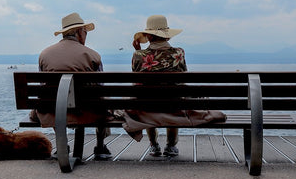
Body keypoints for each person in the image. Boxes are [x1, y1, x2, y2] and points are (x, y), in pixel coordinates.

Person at [29, 12, 111, 160]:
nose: (86, 35)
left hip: (52, 111)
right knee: (102, 101)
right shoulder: (93, 55)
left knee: (51, 101)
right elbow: (101, 87)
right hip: (87, 111)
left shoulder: (44, 54)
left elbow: (43, 87)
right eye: (85, 32)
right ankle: (100, 146)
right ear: (79, 32)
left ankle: (62, 144)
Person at [131, 14, 187, 157]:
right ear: (167, 36)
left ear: (149, 36)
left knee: (146, 98)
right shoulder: (178, 53)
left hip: (147, 106)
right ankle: (171, 145)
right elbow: (183, 78)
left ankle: (154, 145)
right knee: (175, 98)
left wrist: (137, 51)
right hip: (173, 105)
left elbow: (136, 80)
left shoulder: (139, 55)